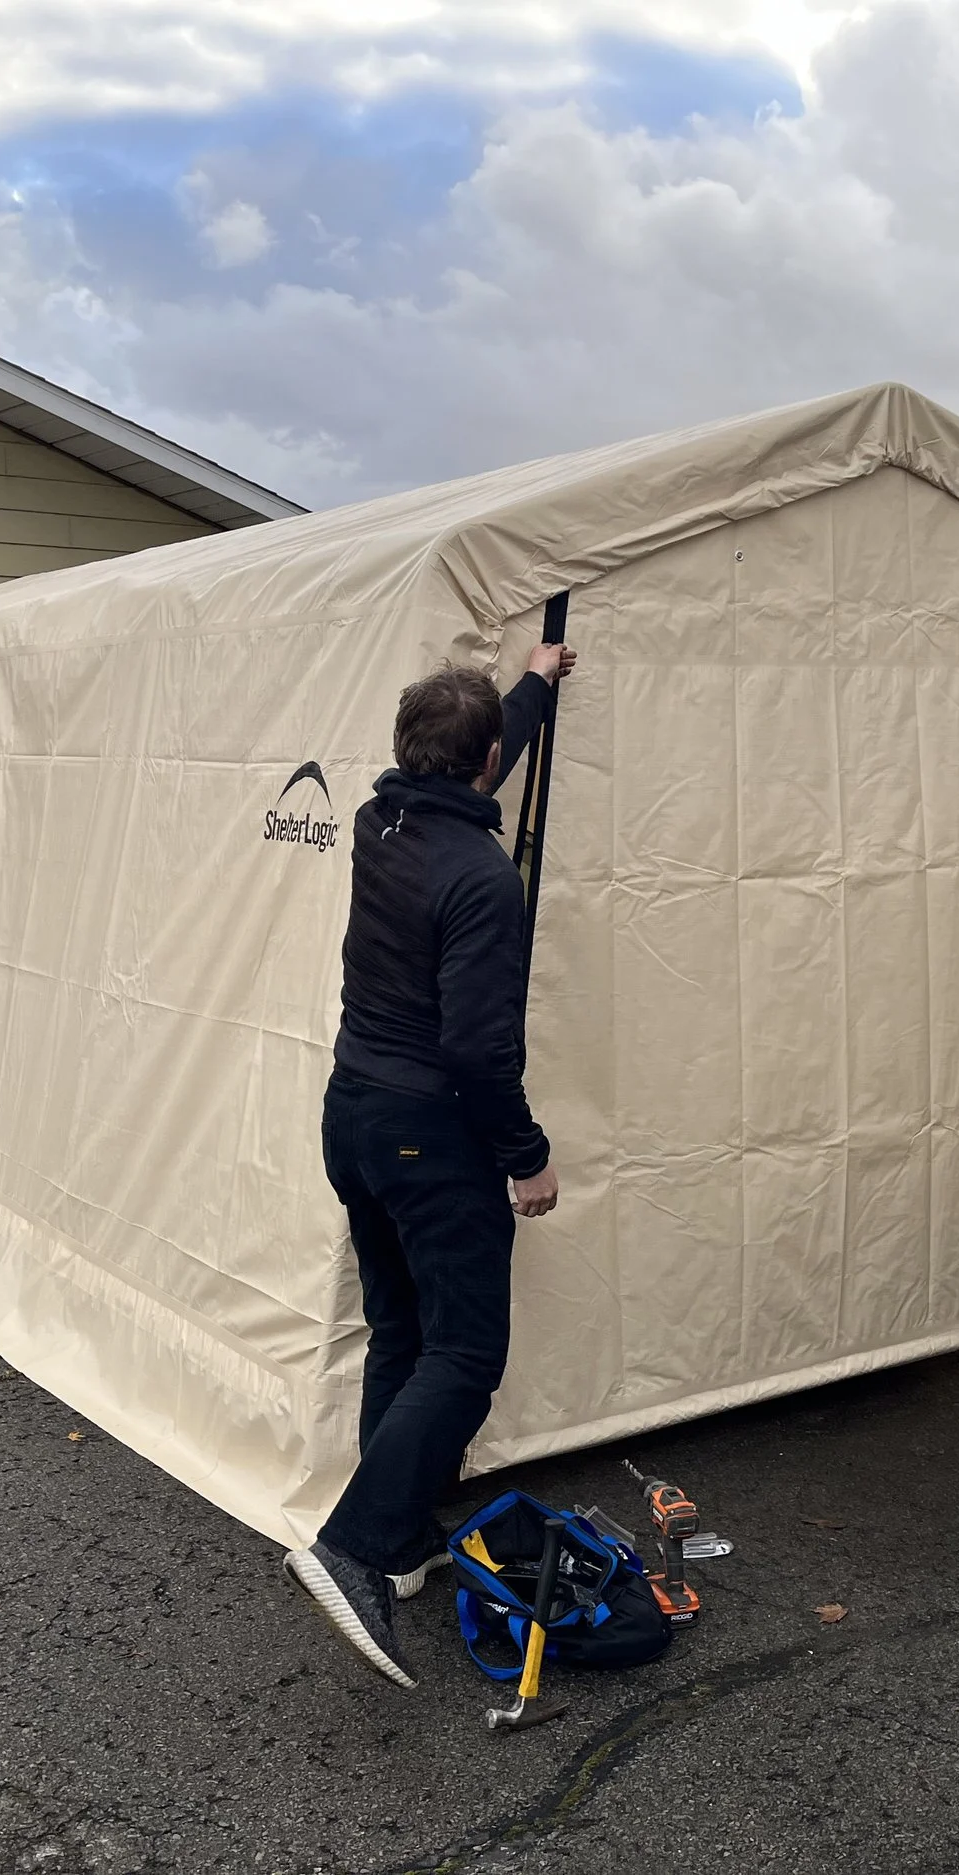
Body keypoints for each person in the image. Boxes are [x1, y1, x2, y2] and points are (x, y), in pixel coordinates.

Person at [281, 643, 577, 1690]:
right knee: (464, 1354)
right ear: (488, 759)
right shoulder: (482, 880)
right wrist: (527, 1157)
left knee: (401, 1330)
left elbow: (465, 764)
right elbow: (477, 1050)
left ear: (407, 753)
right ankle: (354, 1549)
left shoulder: (381, 821)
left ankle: (398, 1546)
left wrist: (533, 682)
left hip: (351, 1118)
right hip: (430, 1136)